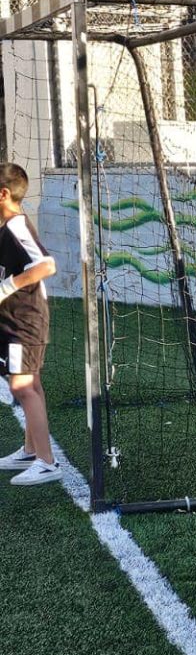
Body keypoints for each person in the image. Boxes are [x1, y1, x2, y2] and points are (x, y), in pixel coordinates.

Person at [0, 163, 61, 487]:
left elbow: (47, 265)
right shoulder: (8, 227)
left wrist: (7, 287)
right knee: (30, 385)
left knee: (22, 387)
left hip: (24, 322)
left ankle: (47, 463)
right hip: (18, 320)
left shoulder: (17, 225)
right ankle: (30, 450)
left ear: (3, 193)